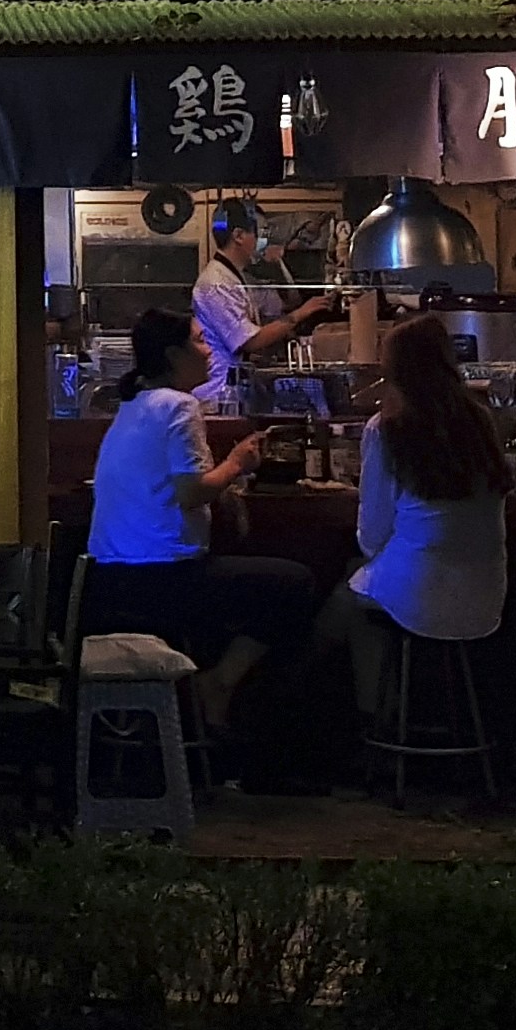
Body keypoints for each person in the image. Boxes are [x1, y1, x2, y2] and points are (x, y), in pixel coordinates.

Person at [82, 305, 324, 736]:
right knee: (296, 585)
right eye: (199, 340)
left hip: (110, 581)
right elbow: (191, 492)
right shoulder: (180, 406)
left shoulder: (134, 405)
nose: (210, 349)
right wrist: (238, 464)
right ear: (174, 355)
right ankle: (220, 688)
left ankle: (201, 711)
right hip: (162, 581)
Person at [345, 311, 516, 735]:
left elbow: (371, 537)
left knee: (344, 607)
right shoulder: (480, 421)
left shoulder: (385, 429)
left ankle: (377, 728)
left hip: (420, 596)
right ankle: (441, 726)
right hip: (487, 595)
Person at [193, 199, 342, 405]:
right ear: (238, 236)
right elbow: (250, 341)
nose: (263, 241)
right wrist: (301, 313)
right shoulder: (217, 283)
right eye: (260, 233)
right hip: (219, 393)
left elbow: (282, 305)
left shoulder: (234, 276)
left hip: (233, 390)